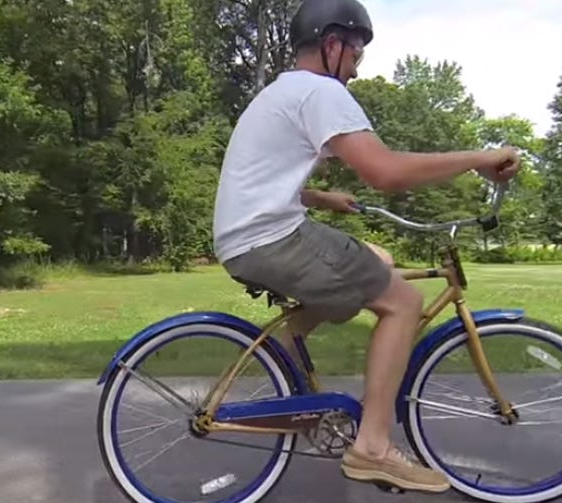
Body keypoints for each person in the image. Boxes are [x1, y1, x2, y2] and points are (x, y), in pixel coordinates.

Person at [211, 0, 521, 494]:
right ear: (332, 46)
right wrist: (477, 158)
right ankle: (373, 447)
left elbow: (260, 178)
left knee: (378, 261)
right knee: (404, 302)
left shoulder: (283, 93)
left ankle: (288, 362)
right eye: (356, 55)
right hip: (271, 237)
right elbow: (385, 171)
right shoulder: (320, 92)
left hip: (248, 237)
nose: (356, 69)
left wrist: (321, 197)